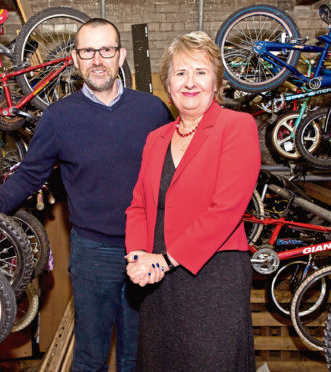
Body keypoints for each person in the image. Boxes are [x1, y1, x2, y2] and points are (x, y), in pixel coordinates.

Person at [0, 18, 172, 372]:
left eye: (106, 50)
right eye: (88, 51)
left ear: (121, 56)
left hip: (146, 249)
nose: (97, 60)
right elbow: (29, 177)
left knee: (138, 356)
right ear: (75, 60)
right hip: (93, 253)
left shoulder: (152, 111)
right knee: (90, 356)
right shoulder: (58, 117)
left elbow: (175, 178)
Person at [125, 31, 261, 371]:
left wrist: (164, 260)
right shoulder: (155, 139)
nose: (190, 82)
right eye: (180, 73)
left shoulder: (237, 126)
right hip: (158, 279)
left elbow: (226, 209)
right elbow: (139, 206)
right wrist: (138, 255)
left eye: (200, 72)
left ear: (216, 82)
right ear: (168, 84)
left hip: (213, 275)